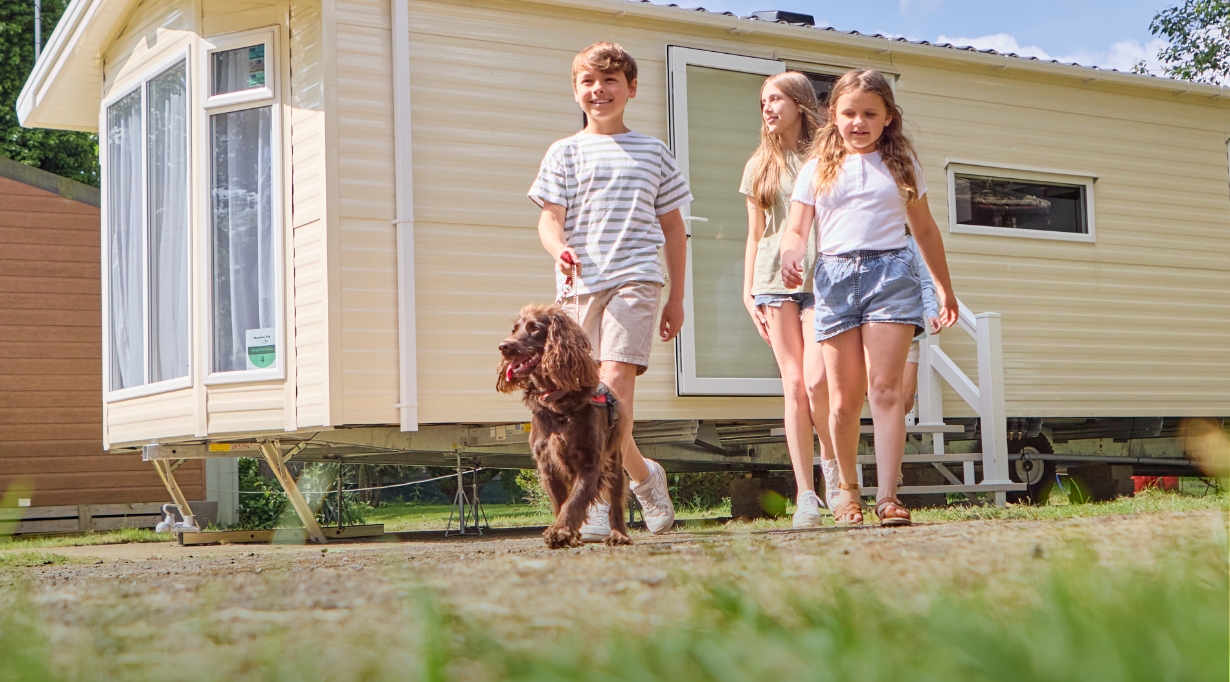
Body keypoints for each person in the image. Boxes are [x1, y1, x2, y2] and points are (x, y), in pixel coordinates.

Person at [780, 69, 959, 527]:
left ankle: (888, 496)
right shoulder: (817, 167)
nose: (858, 122)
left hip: (891, 273)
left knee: (886, 391)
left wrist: (943, 286)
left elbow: (924, 229)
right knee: (843, 400)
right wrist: (792, 256)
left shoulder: (901, 165)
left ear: (887, 119)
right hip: (835, 278)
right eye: (848, 113)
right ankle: (847, 492)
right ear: (831, 114)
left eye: (869, 114)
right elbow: (798, 228)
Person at [528, 42, 691, 541]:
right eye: (588, 82)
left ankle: (594, 502)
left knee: (614, 386)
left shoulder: (654, 152)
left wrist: (677, 297)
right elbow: (548, 221)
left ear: (631, 88)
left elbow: (674, 228)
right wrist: (560, 250)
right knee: (585, 402)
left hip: (637, 277)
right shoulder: (564, 151)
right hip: (579, 286)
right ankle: (643, 477)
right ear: (576, 90)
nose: (598, 91)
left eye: (610, 81)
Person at [739, 72, 839, 527]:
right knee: (795, 386)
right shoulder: (759, 165)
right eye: (763, 101)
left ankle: (836, 475)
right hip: (773, 283)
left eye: (776, 98)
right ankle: (806, 495)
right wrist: (748, 291)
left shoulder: (827, 157)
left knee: (819, 382)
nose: (768, 108)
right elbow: (755, 234)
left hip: (824, 281)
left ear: (800, 103)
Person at [902, 230, 942, 418]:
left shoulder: (911, 242)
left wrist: (932, 312)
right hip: (878, 329)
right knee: (883, 395)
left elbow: (925, 282)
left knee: (906, 401)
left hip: (910, 328)